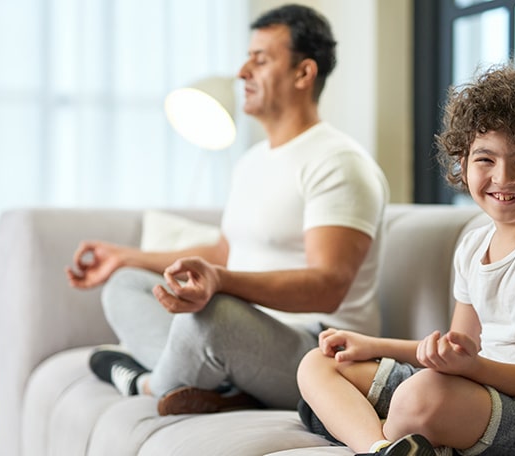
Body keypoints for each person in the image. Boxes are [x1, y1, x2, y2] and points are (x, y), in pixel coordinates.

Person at [66, 3, 389, 416]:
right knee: (125, 284)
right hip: (248, 335)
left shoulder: (339, 162)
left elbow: (329, 285)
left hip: (320, 353)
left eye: (260, 60)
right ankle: (220, 381)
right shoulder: (252, 162)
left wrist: (220, 283)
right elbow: (223, 252)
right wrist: (126, 257)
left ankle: (147, 384)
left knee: (211, 314)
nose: (242, 72)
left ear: (303, 73)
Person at [295, 62, 515, 456]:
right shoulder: (472, 245)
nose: (503, 177)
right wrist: (370, 344)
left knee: (420, 394)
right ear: (462, 165)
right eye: (485, 160)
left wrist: (464, 369)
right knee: (319, 363)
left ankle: (374, 428)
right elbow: (455, 351)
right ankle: (380, 446)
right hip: (481, 387)